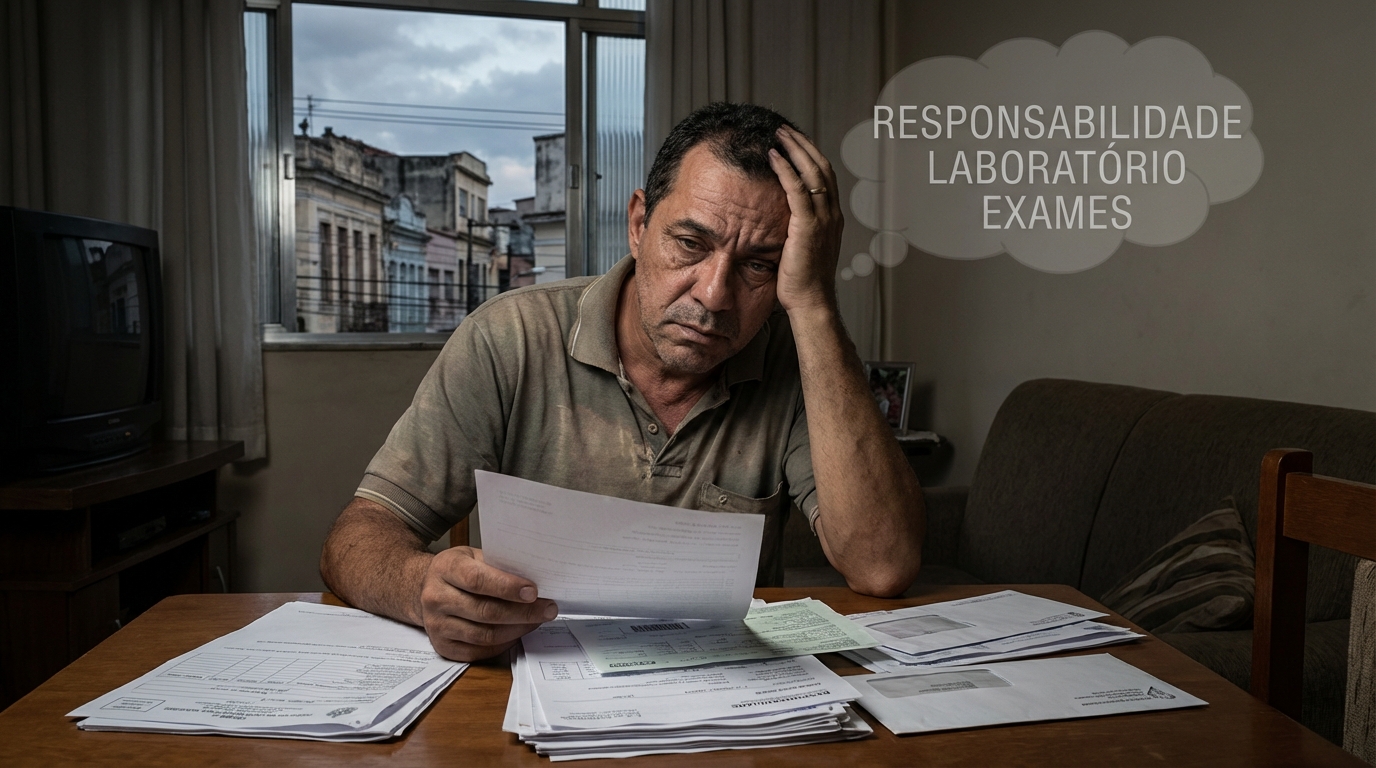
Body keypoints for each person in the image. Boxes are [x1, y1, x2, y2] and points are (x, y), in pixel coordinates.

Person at [320, 102, 925, 663]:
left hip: (728, 697)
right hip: (534, 687)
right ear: (638, 224)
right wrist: (420, 586)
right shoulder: (509, 338)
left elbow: (883, 566)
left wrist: (814, 305)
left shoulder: (800, 361)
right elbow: (356, 537)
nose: (714, 295)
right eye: (690, 244)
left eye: (759, 265)